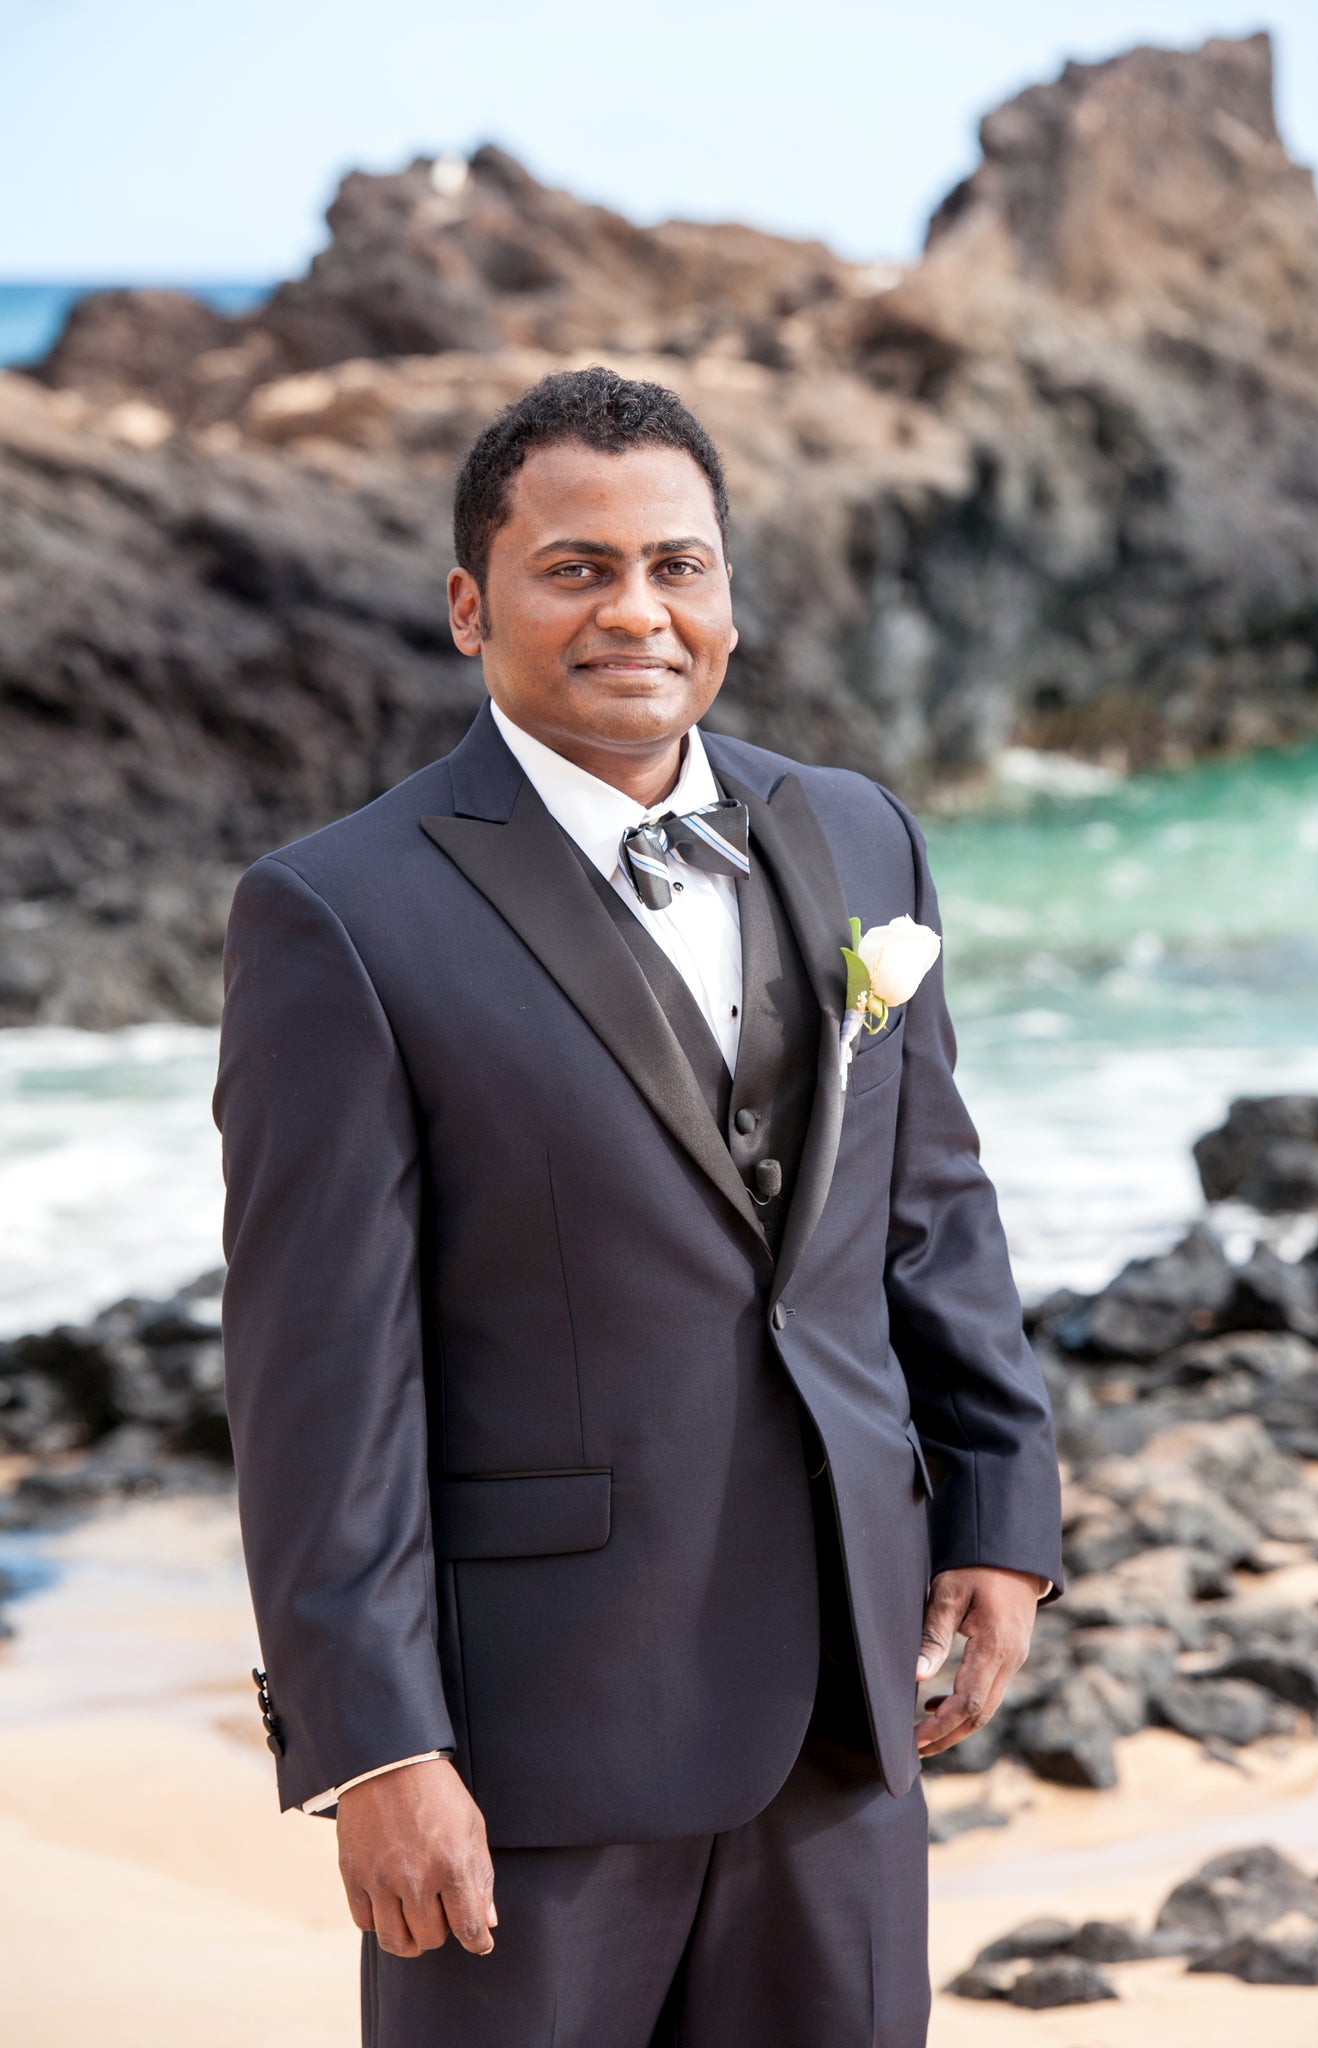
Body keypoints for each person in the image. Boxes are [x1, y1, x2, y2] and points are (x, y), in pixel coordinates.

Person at [214, 364, 1063, 2047]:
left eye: (677, 565)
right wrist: (377, 1745)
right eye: (576, 567)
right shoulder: (337, 913)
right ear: (473, 604)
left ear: (727, 594)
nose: (637, 613)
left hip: (844, 1697)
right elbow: (320, 1374)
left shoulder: (859, 837)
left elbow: (930, 1210)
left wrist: (993, 1515)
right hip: (532, 1739)